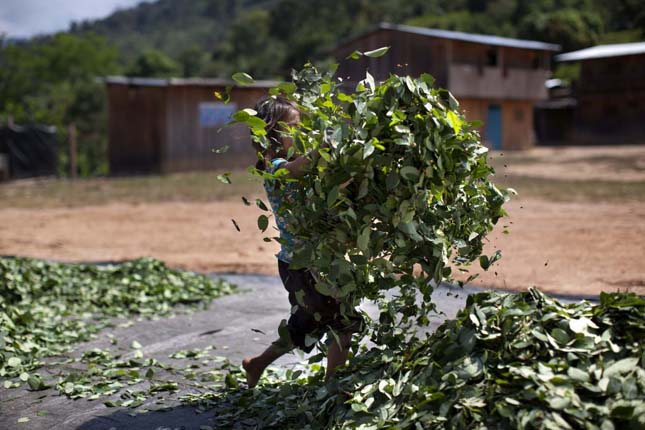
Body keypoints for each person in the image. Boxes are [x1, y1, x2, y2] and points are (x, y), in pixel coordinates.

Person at [242, 95, 363, 388]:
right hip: (302, 267)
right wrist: (325, 146)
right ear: (272, 133)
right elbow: (297, 170)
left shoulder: (303, 163)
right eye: (293, 126)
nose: (300, 132)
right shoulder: (275, 168)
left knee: (306, 325)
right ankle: (334, 387)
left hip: (319, 261)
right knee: (342, 320)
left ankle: (256, 364)